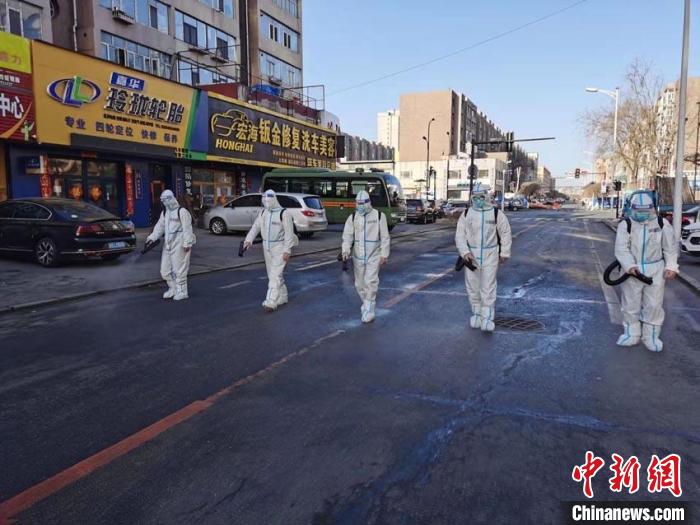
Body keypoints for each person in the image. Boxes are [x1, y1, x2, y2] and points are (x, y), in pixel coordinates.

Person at [614, 190, 678, 352]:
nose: (642, 214)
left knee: (654, 304)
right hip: (632, 271)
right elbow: (621, 249)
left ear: (652, 208)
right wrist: (630, 266)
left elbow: (670, 248)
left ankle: (651, 337)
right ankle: (631, 334)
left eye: (646, 210)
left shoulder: (662, 224)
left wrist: (671, 266)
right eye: (638, 210)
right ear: (632, 208)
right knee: (630, 304)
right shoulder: (626, 225)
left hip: (655, 270)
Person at [455, 188, 512, 332]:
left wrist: (505, 252)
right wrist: (465, 252)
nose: (478, 200)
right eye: (475, 198)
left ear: (486, 197)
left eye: (481, 197)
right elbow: (460, 235)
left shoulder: (496, 213)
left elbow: (505, 232)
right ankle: (477, 315)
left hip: (490, 254)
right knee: (472, 286)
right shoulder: (467, 214)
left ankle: (487, 318)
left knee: (488, 286)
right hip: (471, 255)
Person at [244, 189, 297, 312]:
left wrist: (287, 250)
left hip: (279, 247)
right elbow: (256, 227)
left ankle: (270, 301)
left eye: (268, 201)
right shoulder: (264, 213)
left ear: (274, 200)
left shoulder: (284, 214)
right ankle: (282, 296)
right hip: (266, 247)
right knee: (273, 275)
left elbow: (289, 234)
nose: (266, 203)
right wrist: (248, 240)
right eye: (265, 201)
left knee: (275, 275)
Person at [341, 190, 391, 323]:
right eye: (358, 203)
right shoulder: (353, 217)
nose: (360, 206)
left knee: (371, 281)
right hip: (358, 256)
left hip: (374, 255)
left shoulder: (379, 216)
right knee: (359, 284)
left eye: (363, 203)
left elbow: (385, 237)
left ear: (369, 202)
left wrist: (384, 254)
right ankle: (367, 303)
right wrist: (345, 250)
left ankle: (369, 309)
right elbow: (347, 236)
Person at [146, 189, 196, 301]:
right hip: (168, 245)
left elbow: (188, 229)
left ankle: (182, 291)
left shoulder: (182, 212)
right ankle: (173, 288)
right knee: (165, 271)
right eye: (163, 201)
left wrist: (187, 243)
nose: (165, 203)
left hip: (180, 244)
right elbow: (159, 227)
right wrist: (152, 238)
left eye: (166, 200)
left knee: (179, 269)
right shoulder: (165, 213)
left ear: (172, 198)